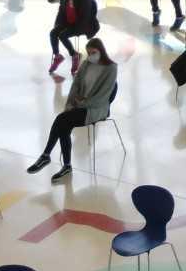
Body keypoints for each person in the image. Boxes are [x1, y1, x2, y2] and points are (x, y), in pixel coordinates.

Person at [25, 36, 117, 183]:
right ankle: (63, 164)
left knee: (62, 120)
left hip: (96, 109)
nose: (91, 56)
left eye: (93, 52)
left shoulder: (111, 68)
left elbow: (102, 96)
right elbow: (76, 85)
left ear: (101, 51)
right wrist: (70, 104)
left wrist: (81, 104)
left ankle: (48, 156)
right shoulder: (86, 64)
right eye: (89, 53)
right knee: (64, 123)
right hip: (79, 105)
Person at [49, 0, 98, 75]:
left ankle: (74, 55)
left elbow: (85, 15)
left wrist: (75, 27)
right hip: (68, 22)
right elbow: (61, 11)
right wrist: (58, 24)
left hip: (82, 24)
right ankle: (57, 56)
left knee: (63, 35)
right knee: (53, 33)